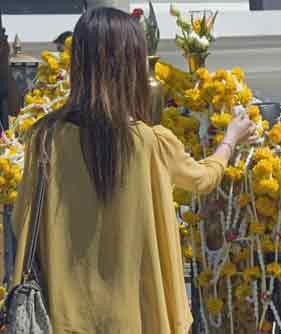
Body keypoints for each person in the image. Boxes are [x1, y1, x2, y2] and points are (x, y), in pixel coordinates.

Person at [12, 7, 255, 334]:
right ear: (130, 66)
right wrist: (230, 139)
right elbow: (203, 179)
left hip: (61, 318)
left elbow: (21, 222)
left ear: (79, 64)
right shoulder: (149, 142)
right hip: (137, 319)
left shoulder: (45, 137)